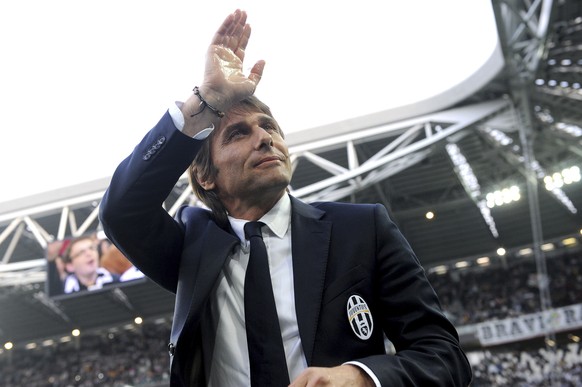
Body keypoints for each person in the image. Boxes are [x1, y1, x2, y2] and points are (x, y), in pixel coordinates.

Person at [99, 9, 472, 386]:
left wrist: (360, 377)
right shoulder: (192, 250)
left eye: (269, 127)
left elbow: (443, 355)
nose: (265, 138)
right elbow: (121, 211)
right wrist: (205, 101)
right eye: (238, 134)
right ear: (206, 177)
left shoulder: (361, 229)